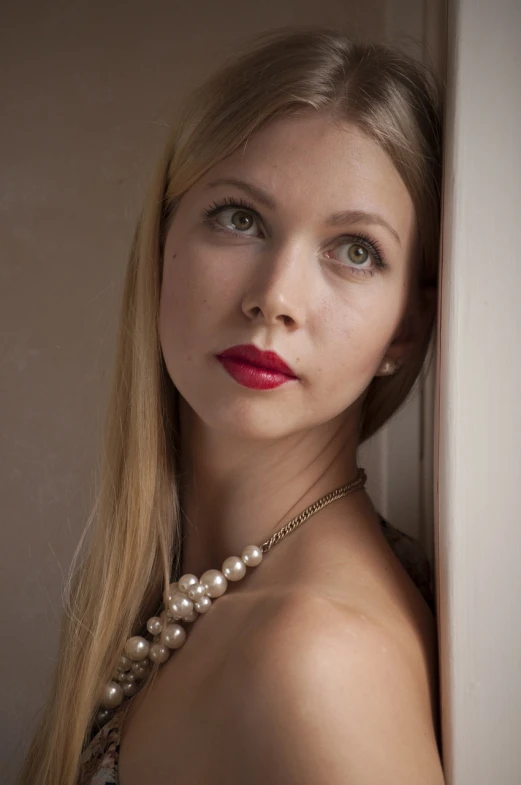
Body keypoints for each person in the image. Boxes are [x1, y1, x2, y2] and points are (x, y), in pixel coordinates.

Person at [19, 25, 444, 785]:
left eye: (354, 250)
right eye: (239, 218)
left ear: (404, 329)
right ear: (161, 244)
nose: (275, 298)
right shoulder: (183, 593)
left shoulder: (316, 660)